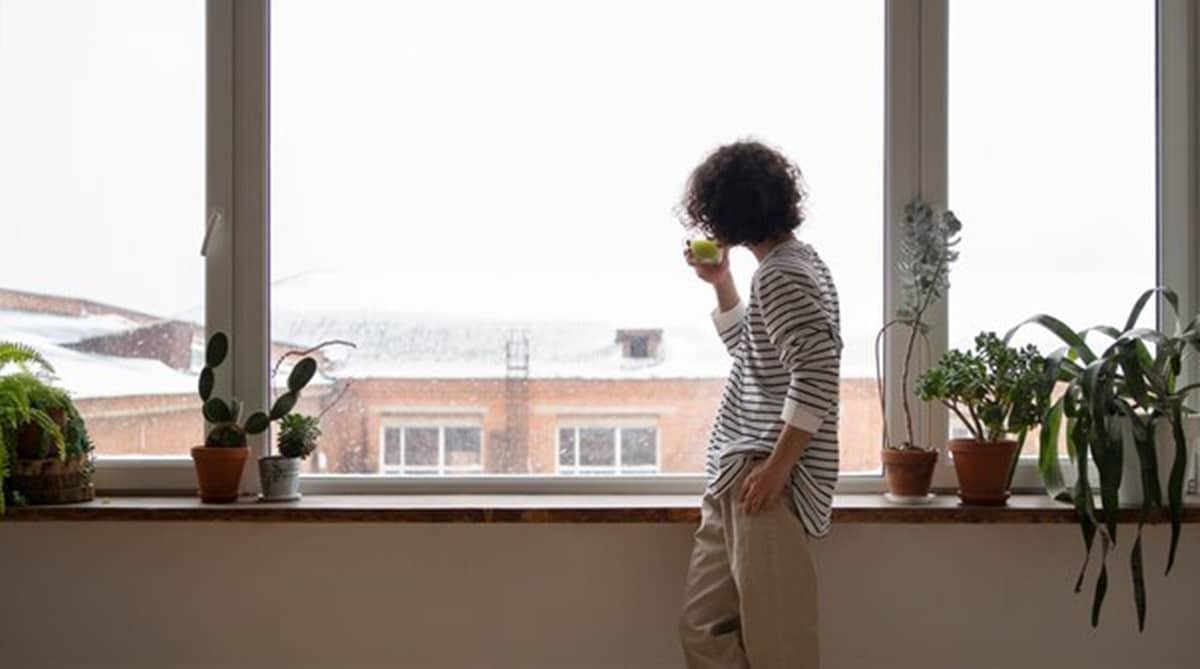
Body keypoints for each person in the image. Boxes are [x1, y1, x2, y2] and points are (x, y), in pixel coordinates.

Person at [677, 140, 842, 668]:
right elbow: (753, 354)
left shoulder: (784, 274)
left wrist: (777, 468)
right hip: (738, 474)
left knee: (779, 647)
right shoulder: (782, 269)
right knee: (703, 630)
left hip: (764, 476)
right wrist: (722, 282)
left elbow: (817, 373)